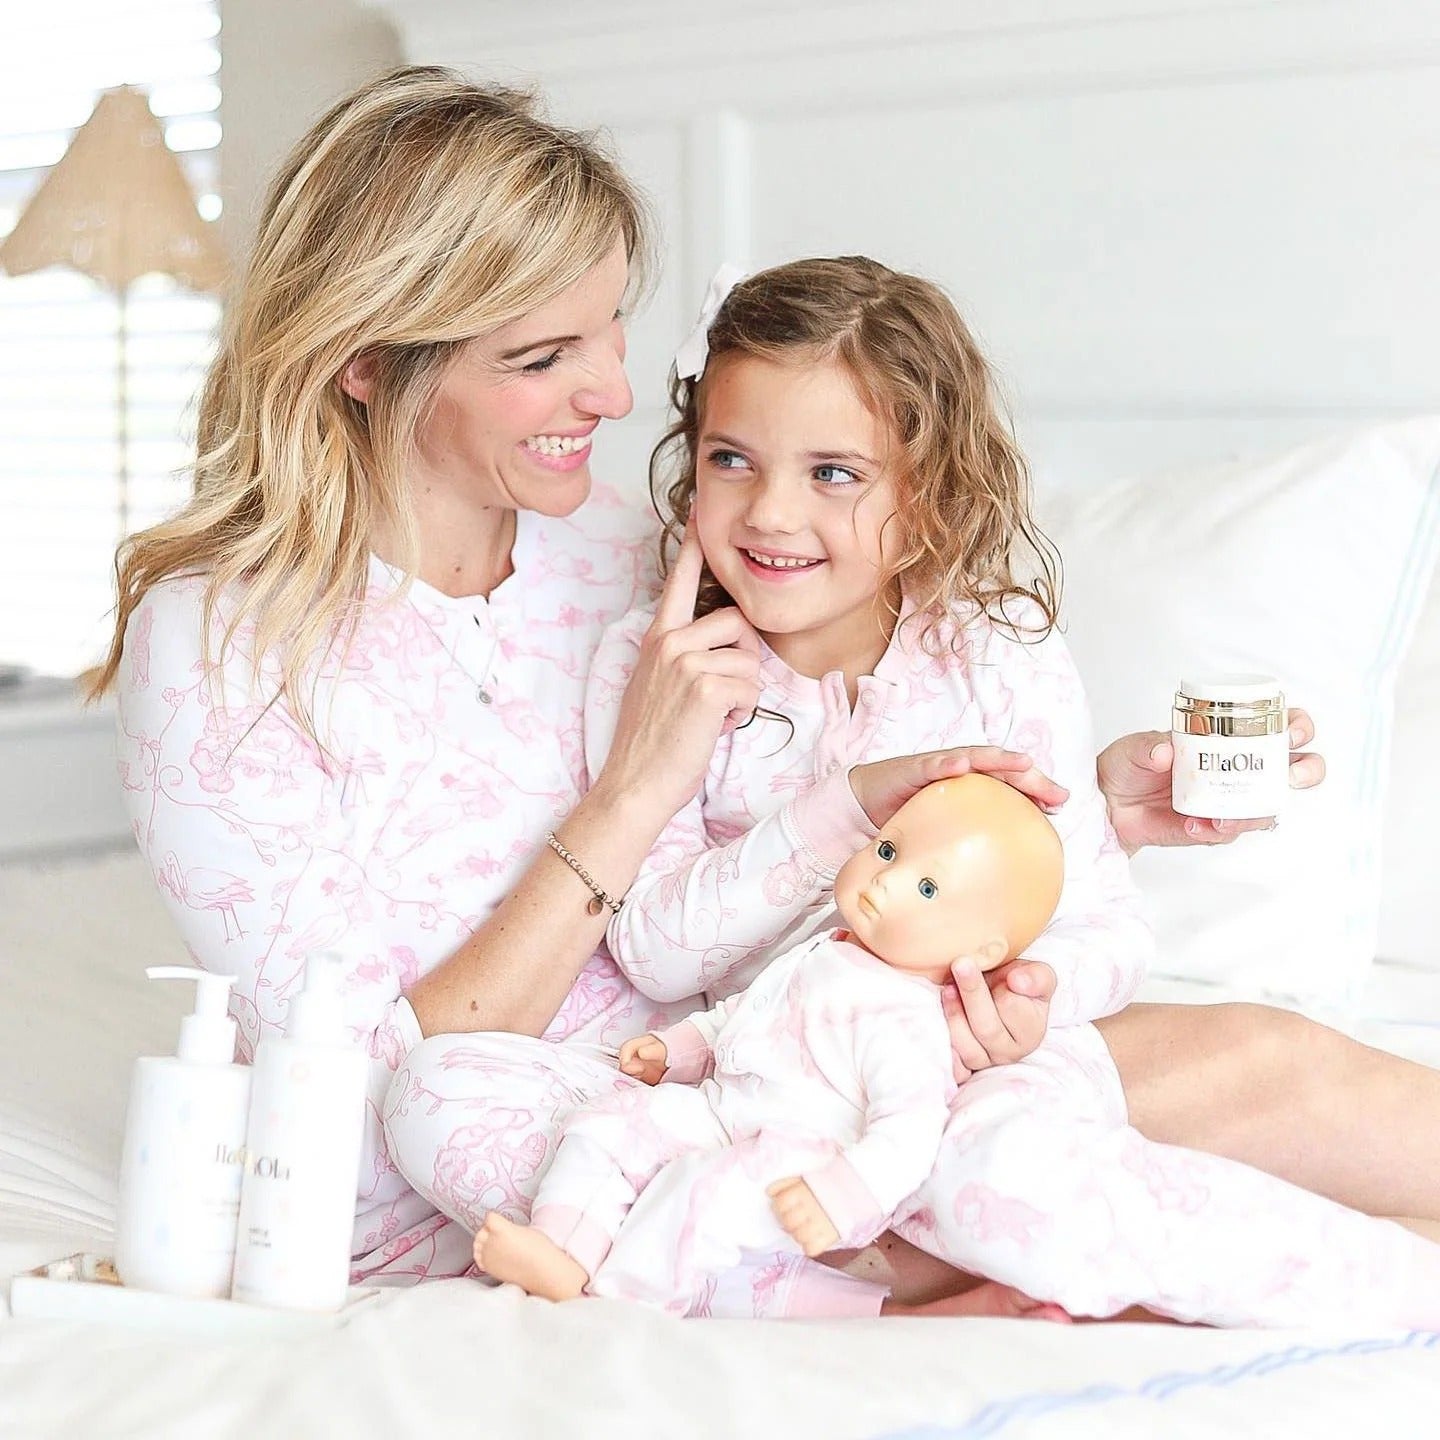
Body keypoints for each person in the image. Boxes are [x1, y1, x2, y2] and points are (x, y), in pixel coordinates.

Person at [85, 65, 1436, 1304]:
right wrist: (634, 791)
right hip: (563, 1142)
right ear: (366, 363)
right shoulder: (221, 650)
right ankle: (946, 1261)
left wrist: (1067, 809)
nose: (615, 395)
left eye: (611, 330)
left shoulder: (629, 544)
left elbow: (837, 766)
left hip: (834, 1054)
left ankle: (971, 1250)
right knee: (475, 1108)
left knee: (1256, 1054)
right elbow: (365, 1078)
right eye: (544, 358)